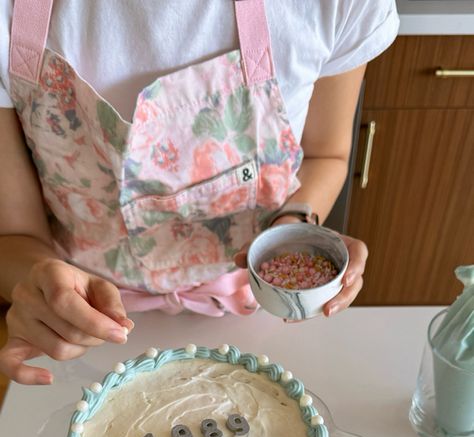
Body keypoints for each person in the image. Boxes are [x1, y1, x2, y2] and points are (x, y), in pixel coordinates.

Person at [0, 0, 399, 385]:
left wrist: (292, 232)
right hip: (78, 327)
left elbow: (325, 154)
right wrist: (38, 283)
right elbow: (16, 237)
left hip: (258, 315)